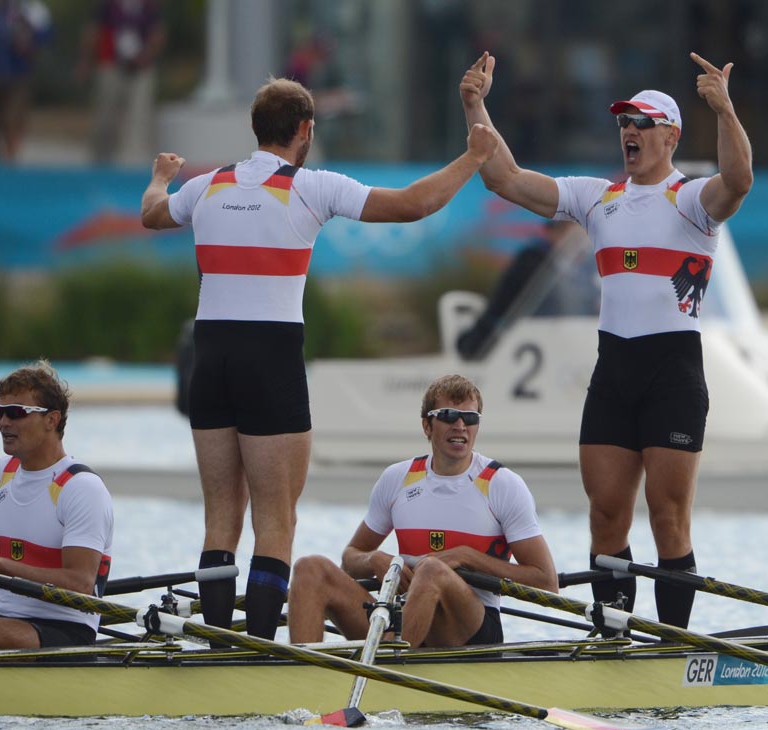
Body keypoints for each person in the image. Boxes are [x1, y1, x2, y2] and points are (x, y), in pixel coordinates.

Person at [140, 76, 499, 641]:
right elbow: (412, 205)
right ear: (305, 130)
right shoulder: (309, 187)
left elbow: (153, 214)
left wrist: (161, 177)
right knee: (276, 522)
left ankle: (214, 644)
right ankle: (256, 650)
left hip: (209, 359)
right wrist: (473, 158)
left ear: (256, 129)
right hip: (270, 358)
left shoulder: (205, 186)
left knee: (220, 519)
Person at [460, 51, 753, 628]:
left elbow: (739, 179)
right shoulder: (598, 199)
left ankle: (669, 643)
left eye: (641, 123)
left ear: (669, 136)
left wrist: (724, 110)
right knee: (605, 516)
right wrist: (475, 104)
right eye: (623, 123)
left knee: (667, 518)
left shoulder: (692, 203)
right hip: (614, 370)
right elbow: (505, 178)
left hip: (672, 372)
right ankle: (614, 641)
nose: (629, 132)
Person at [287, 374, 557, 648]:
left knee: (431, 569)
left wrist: (468, 557)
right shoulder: (397, 478)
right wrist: (374, 560)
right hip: (405, 619)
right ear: (427, 425)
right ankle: (303, 677)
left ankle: (386, 666)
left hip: (472, 628)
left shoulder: (501, 484)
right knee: (310, 568)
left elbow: (546, 582)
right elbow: (350, 560)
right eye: (449, 416)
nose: (461, 425)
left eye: (470, 417)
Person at [0, 361, 114, 651]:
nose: (4, 422)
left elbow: (81, 583)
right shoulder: (1, 475)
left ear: (52, 420)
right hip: (6, 620)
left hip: (66, 629)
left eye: (16, 413)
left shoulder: (80, 488)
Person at [456, 219, 593, 360]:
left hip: (564, 346)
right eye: (572, 230)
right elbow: (502, 306)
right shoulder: (533, 261)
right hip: (527, 346)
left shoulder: (578, 269)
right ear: (553, 233)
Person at [78, 0, 166, 165]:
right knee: (106, 117)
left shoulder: (149, 6)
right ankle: (101, 161)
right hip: (111, 64)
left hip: (141, 68)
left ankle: (134, 163)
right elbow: (94, 31)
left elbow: (157, 32)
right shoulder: (108, 6)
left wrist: (147, 55)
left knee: (139, 116)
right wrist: (86, 60)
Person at [0, 0, 52, 162]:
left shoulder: (32, 9)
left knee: (12, 118)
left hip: (19, 75)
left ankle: (11, 159)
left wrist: (30, 41)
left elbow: (46, 36)